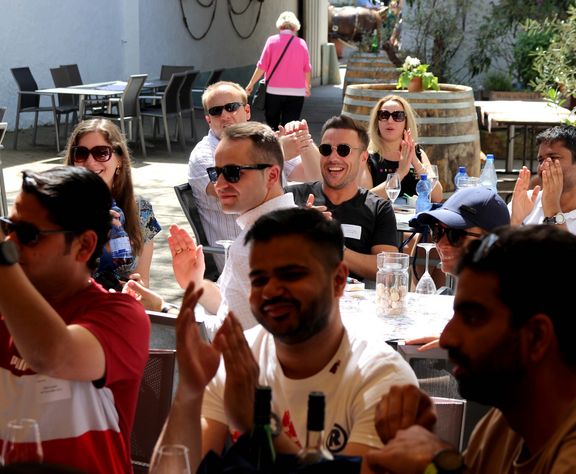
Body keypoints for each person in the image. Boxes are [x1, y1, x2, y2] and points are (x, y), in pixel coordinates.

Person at [152, 207, 417, 473]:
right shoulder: (239, 362)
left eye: (291, 275)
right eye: (259, 279)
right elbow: (176, 468)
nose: (270, 290)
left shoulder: (384, 377)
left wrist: (260, 424)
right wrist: (188, 391)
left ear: (338, 280)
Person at [365, 225, 576, 474]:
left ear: (537, 337)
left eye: (473, 318)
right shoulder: (508, 420)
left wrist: (438, 463)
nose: (447, 338)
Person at [0, 167, 150, 473]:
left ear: (84, 246)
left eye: (28, 235)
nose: (11, 243)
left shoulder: (122, 315)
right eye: (8, 228)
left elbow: (53, 354)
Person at [187, 81, 320, 272]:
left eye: (232, 107)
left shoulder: (262, 140)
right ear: (208, 119)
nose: (225, 115)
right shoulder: (204, 155)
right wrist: (277, 153)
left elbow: (316, 178)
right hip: (240, 258)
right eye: (216, 111)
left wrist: (303, 140)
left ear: (247, 111)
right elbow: (234, 190)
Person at [177, 121, 296, 330]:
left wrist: (163, 310)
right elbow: (234, 305)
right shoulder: (298, 222)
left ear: (272, 175)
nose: (220, 184)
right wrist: (194, 283)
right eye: (216, 173)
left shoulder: (254, 246)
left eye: (233, 172)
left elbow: (230, 336)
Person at [288, 114, 398, 281]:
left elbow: (388, 271)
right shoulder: (291, 197)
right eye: (326, 149)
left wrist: (335, 247)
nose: (333, 158)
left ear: (363, 157)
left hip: (352, 296)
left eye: (343, 150)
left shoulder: (378, 208)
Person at [64, 118, 161, 290]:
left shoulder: (140, 209)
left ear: (119, 160)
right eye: (81, 153)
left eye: (101, 152)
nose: (90, 162)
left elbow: (144, 281)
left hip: (121, 302)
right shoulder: (56, 208)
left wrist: (136, 287)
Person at [360, 94, 443, 203]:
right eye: (384, 115)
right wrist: (400, 172)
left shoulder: (418, 153)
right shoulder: (366, 157)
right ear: (377, 121)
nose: (390, 120)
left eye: (397, 116)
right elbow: (365, 201)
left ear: (406, 122)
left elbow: (437, 197)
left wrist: (415, 161)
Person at [245, 11, 312, 131]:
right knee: (290, 126)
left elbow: (262, 66)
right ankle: (287, 142)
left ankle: (275, 141)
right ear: (295, 27)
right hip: (296, 92)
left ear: (279, 26)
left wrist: (251, 84)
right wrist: (307, 86)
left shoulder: (272, 41)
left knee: (272, 125)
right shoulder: (302, 43)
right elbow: (307, 68)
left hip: (274, 91)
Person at [510, 124, 576, 233]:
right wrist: (516, 221)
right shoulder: (526, 201)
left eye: (553, 158)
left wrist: (552, 207)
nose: (543, 167)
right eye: (541, 160)